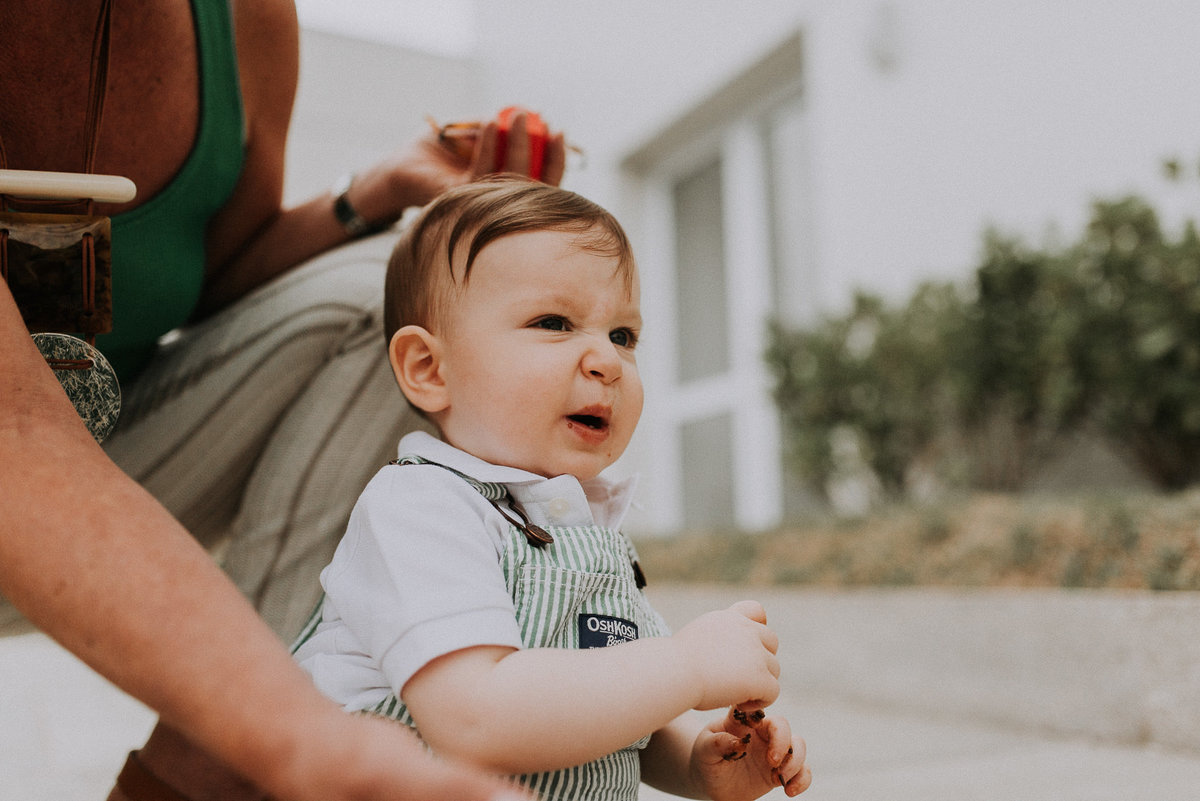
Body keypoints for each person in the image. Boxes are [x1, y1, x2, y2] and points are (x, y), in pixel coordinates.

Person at [0, 1, 563, 800]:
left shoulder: (247, 20)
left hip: (107, 454)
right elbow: (13, 429)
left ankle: (197, 777)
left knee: (398, 304)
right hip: (14, 449)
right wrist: (302, 738)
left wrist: (377, 192)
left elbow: (221, 274)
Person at [291, 177, 814, 801]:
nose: (607, 360)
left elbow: (611, 712)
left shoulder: (588, 535)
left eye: (623, 335)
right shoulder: (420, 508)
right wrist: (685, 666)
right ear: (430, 370)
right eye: (554, 322)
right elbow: (475, 718)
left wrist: (697, 765)